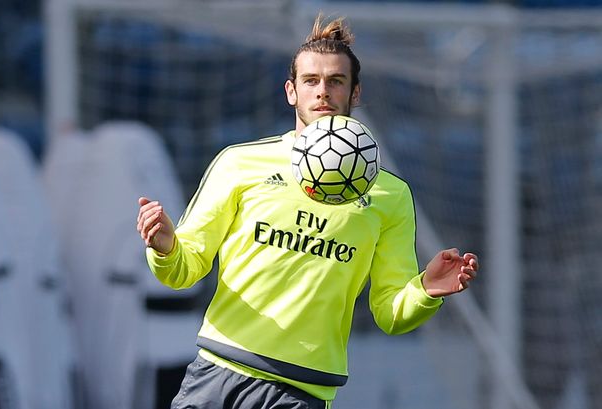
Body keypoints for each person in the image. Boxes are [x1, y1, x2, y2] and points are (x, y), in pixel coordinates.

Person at [137, 13, 479, 409]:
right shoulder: (240, 163)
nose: (322, 92)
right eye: (310, 81)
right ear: (291, 91)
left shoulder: (390, 194)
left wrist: (425, 290)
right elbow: (185, 269)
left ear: (355, 93)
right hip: (218, 372)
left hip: (302, 391)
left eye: (336, 81)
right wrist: (165, 247)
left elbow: (389, 312)